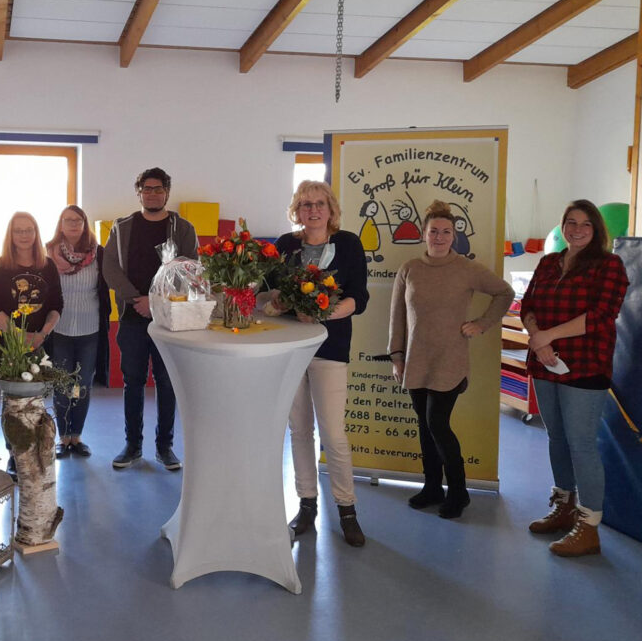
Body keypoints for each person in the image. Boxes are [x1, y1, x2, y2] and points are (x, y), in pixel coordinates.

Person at [388, 200, 513, 519]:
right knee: (424, 426)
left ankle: (458, 492)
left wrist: (481, 324)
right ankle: (432, 488)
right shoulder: (410, 269)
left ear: (454, 236)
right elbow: (398, 316)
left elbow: (504, 294)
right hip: (416, 360)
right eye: (434, 231)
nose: (440, 237)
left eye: (446, 232)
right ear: (424, 234)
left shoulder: (467, 269)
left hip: (450, 361)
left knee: (437, 424)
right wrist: (396, 355)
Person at [521, 200, 628, 557]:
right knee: (557, 438)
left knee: (581, 443)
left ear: (596, 229)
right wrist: (538, 338)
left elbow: (601, 315)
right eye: (570, 222)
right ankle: (563, 506)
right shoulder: (549, 262)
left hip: (585, 365)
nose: (577, 229)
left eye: (585, 223)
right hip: (544, 363)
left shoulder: (609, 265)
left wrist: (548, 336)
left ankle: (589, 525)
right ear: (562, 226)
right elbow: (528, 305)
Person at [264, 180, 369, 547]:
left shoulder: (348, 243)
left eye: (319, 204)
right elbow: (269, 291)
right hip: (291, 349)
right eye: (305, 204)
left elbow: (358, 297)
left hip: (330, 347)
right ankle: (307, 503)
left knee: (333, 434)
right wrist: (278, 302)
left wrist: (322, 315)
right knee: (299, 430)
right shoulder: (286, 245)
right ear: (296, 209)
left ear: (331, 209)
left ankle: (347, 508)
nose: (313, 210)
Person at [103, 167, 198, 471]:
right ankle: (132, 446)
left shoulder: (182, 228)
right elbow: (110, 269)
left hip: (169, 319)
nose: (153, 193)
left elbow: (189, 269)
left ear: (167, 192)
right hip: (132, 317)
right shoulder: (122, 228)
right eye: (147, 188)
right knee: (132, 382)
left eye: (158, 189)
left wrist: (154, 302)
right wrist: (136, 299)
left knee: (166, 382)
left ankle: (165, 447)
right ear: (139, 191)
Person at [0, 212, 63, 477]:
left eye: (29, 229)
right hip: (9, 346)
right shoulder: (0, 266)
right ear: (11, 234)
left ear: (36, 232)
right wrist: (18, 337)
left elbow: (56, 305)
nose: (24, 235)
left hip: (41, 343)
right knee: (13, 402)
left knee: (37, 401)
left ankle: (37, 450)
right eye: (18, 230)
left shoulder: (48, 266)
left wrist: (42, 334)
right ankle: (15, 455)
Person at [45, 205, 110, 459]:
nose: (73, 224)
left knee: (81, 385)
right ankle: (63, 437)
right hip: (59, 330)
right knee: (62, 385)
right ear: (60, 224)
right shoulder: (48, 255)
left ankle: (76, 436)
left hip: (89, 330)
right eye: (67, 220)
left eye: (78, 220)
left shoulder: (98, 254)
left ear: (85, 224)